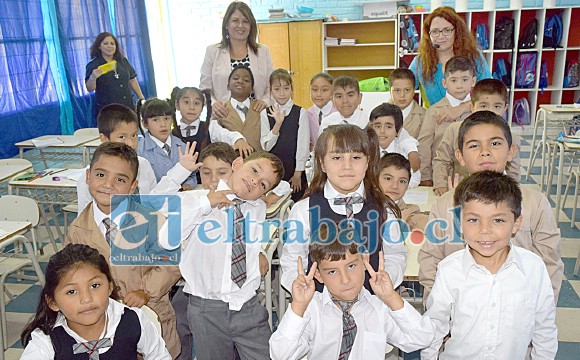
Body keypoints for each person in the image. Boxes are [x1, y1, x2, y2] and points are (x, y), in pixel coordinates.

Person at [417, 112, 564, 303]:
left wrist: (537, 316)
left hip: (517, 309)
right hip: (461, 313)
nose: (485, 151)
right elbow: (431, 261)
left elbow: (550, 265)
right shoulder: (445, 205)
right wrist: (441, 317)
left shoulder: (535, 203)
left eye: (495, 143)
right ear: (460, 156)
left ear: (511, 151)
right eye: (474, 145)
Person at [158, 151, 284, 360]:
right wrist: (206, 204)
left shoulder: (257, 207)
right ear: (237, 163)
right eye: (254, 170)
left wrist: (259, 251)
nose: (255, 181)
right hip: (207, 308)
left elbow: (247, 240)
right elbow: (166, 240)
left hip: (248, 306)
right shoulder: (197, 200)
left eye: (263, 184)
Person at [421, 171, 558, 359]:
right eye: (473, 220)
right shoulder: (449, 270)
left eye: (498, 220)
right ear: (460, 223)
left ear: (516, 223)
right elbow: (435, 326)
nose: (485, 230)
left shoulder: (534, 269)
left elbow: (545, 329)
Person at [65, 142, 182, 358]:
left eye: (120, 179)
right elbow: (71, 277)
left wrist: (145, 291)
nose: (108, 184)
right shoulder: (77, 231)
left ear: (132, 187)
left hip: (153, 315)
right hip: (104, 325)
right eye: (101, 175)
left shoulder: (152, 221)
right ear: (88, 177)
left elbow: (171, 262)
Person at [280, 124, 407, 294]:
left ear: (367, 162)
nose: (347, 166)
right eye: (337, 158)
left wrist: (387, 277)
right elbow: (292, 259)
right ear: (322, 163)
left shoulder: (383, 209)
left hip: (374, 304)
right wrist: (299, 285)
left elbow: (396, 255)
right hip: (320, 306)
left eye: (356, 158)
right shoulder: (304, 210)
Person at [270, 238, 435, 360]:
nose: (345, 279)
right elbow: (281, 355)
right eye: (332, 272)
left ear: (364, 262)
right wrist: (298, 306)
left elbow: (422, 338)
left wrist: (391, 297)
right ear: (318, 275)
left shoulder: (379, 308)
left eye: (351, 266)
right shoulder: (311, 309)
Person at [21, 243, 171, 359]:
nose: (86, 299)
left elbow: (160, 356)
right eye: (71, 292)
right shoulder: (47, 339)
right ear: (52, 302)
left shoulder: (133, 320)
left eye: (95, 286)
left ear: (110, 287)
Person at [77, 103, 199, 212]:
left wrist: (181, 170)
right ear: (104, 139)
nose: (130, 143)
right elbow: (84, 218)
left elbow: (153, 200)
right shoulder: (90, 175)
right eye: (122, 137)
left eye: (134, 135)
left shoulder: (143, 165)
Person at [432, 78, 522, 194]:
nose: (491, 111)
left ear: (505, 108)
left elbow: (513, 173)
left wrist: (509, 193)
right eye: (483, 106)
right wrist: (440, 184)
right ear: (472, 107)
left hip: (496, 194)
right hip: (459, 191)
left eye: (497, 106)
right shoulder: (454, 130)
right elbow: (441, 160)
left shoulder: (511, 137)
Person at [409, 6, 491, 112]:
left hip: (469, 120)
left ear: (456, 32)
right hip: (435, 123)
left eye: (447, 30)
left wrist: (459, 109)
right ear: (428, 35)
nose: (440, 36)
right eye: (435, 31)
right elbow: (401, 87)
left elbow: (489, 93)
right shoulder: (420, 62)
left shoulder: (474, 57)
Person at [200, 1, 273, 119]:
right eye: (235, 21)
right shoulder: (212, 51)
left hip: (257, 118)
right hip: (224, 118)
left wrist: (265, 101)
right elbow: (204, 89)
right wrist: (214, 104)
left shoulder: (263, 51)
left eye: (245, 21)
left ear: (251, 26)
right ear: (226, 25)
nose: (240, 26)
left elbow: (271, 86)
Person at [417, 55, 475, 190]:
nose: (459, 85)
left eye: (465, 80)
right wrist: (425, 177)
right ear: (444, 83)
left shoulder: (478, 109)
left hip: (472, 178)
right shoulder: (434, 111)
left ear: (473, 81)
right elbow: (424, 145)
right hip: (441, 179)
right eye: (453, 80)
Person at [261, 68, 310, 201]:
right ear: (271, 90)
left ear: (291, 89)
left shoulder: (300, 112)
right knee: (272, 206)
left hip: (294, 170)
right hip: (272, 171)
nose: (282, 93)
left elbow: (303, 145)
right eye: (277, 89)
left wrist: (298, 173)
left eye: (286, 88)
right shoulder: (265, 113)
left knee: (296, 204)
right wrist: (277, 124)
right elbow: (266, 147)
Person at [137, 97, 198, 190]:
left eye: (166, 118)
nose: (163, 124)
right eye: (155, 120)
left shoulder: (182, 146)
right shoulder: (139, 151)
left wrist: (188, 185)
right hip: (155, 201)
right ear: (145, 124)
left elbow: (192, 175)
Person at [85, 32, 144, 117]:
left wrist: (141, 97)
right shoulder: (93, 65)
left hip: (128, 106)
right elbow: (90, 88)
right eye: (105, 43)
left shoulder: (123, 61)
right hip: (108, 110)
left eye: (112, 44)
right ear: (99, 46)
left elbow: (132, 80)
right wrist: (93, 77)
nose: (109, 46)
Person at [210, 65, 262, 156]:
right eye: (236, 78)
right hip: (230, 163)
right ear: (228, 86)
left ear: (252, 89)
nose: (240, 81)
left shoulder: (260, 108)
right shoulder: (220, 109)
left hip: (258, 161)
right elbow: (214, 135)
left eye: (246, 80)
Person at [369, 103, 421, 188]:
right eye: (377, 126)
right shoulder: (366, 151)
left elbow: (415, 178)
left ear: (398, 131)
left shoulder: (403, 152)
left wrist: (393, 186)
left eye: (388, 127)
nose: (382, 131)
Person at [378, 153, 428, 232]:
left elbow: (435, 227)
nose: (395, 186)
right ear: (375, 178)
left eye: (402, 181)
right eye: (388, 178)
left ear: (408, 185)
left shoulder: (409, 213)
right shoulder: (361, 206)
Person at [171, 86, 212, 156]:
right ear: (177, 105)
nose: (192, 107)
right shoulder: (172, 134)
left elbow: (229, 136)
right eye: (186, 102)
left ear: (202, 107)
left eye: (196, 103)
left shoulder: (211, 128)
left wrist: (237, 140)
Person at [389, 68, 425, 139]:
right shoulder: (379, 115)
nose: (402, 95)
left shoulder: (425, 117)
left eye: (407, 90)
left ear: (414, 90)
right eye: (397, 90)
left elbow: (425, 146)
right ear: (390, 91)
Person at [307, 72, 336, 146]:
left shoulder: (338, 112)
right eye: (314, 90)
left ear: (333, 91)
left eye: (324, 90)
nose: (318, 94)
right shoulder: (307, 114)